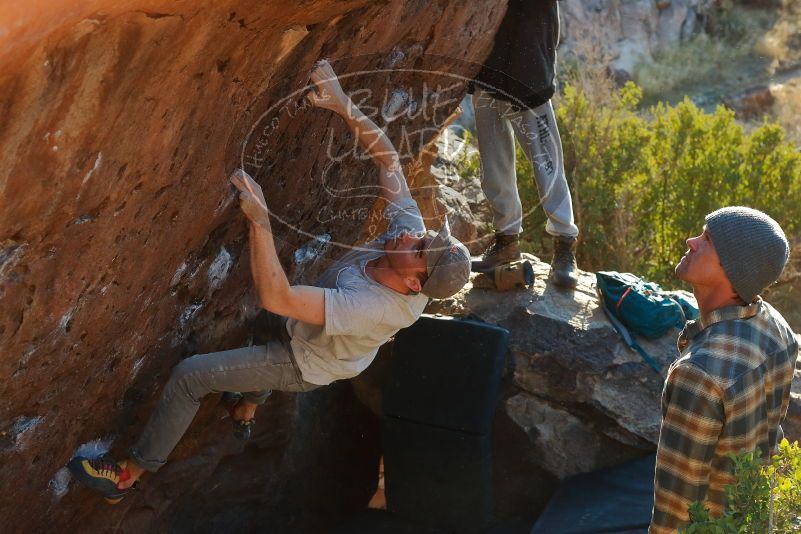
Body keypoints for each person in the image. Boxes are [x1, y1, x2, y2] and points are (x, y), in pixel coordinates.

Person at [67, 60, 471, 503]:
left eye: (421, 248)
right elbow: (388, 159)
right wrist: (341, 103)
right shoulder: (406, 239)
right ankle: (246, 407)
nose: (415, 235)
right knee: (263, 324)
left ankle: (129, 475)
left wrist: (260, 222)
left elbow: (277, 296)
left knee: (190, 376)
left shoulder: (371, 307)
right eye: (426, 236)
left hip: (304, 361)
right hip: (313, 329)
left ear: (415, 284)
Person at [650, 207, 798, 533]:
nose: (691, 241)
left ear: (733, 269)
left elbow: (675, 508)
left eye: (707, 239)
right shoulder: (777, 326)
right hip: (755, 514)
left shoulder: (698, 374)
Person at [470, 0, 579, 288]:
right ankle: (506, 242)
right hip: (488, 65)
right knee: (493, 164)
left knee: (547, 164)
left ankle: (565, 243)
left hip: (528, 65)